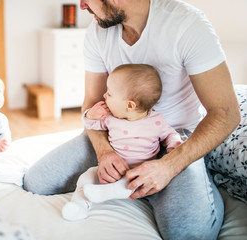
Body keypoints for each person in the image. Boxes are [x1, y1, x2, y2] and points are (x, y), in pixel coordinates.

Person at [23, 0, 240, 239]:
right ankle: (137, 185)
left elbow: (226, 112)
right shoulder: (98, 32)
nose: (82, 6)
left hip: (175, 141)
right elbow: (92, 102)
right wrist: (104, 151)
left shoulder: (186, 25)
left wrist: (169, 166)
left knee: (188, 232)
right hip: (115, 131)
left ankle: (190, 186)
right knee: (37, 182)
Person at [62, 64, 182, 221]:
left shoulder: (156, 122)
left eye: (110, 94)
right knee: (87, 176)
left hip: (136, 173)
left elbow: (170, 134)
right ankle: (78, 205)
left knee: (131, 185)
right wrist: (91, 115)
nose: (104, 95)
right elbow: (91, 126)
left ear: (130, 105)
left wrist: (174, 144)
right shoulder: (110, 118)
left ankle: (104, 194)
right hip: (111, 170)